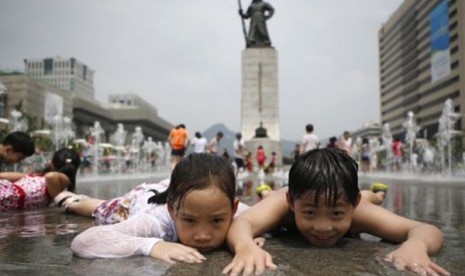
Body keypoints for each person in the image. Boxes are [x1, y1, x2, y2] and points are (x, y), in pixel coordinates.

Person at [223, 148, 448, 276]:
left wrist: (416, 245)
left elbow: (424, 229)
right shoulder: (283, 203)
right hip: (280, 194)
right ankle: (267, 192)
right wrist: (245, 246)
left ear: (353, 205)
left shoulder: (357, 211)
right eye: (310, 213)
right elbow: (243, 223)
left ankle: (374, 195)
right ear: (293, 203)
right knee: (270, 199)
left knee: (371, 200)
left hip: (355, 198)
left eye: (337, 214)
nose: (323, 227)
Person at [70, 153, 264, 262]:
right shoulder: (158, 222)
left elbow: (272, 214)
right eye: (189, 220)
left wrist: (249, 235)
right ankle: (70, 201)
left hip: (175, 191)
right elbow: (83, 242)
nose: (203, 235)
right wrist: (153, 245)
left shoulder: (237, 212)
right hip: (140, 200)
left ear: (233, 209)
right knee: (102, 208)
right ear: (173, 211)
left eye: (217, 221)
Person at [0, 148, 81, 212]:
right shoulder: (61, 180)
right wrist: (60, 202)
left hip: (8, 194)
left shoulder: (41, 178)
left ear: (51, 163)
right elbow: (51, 176)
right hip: (10, 195)